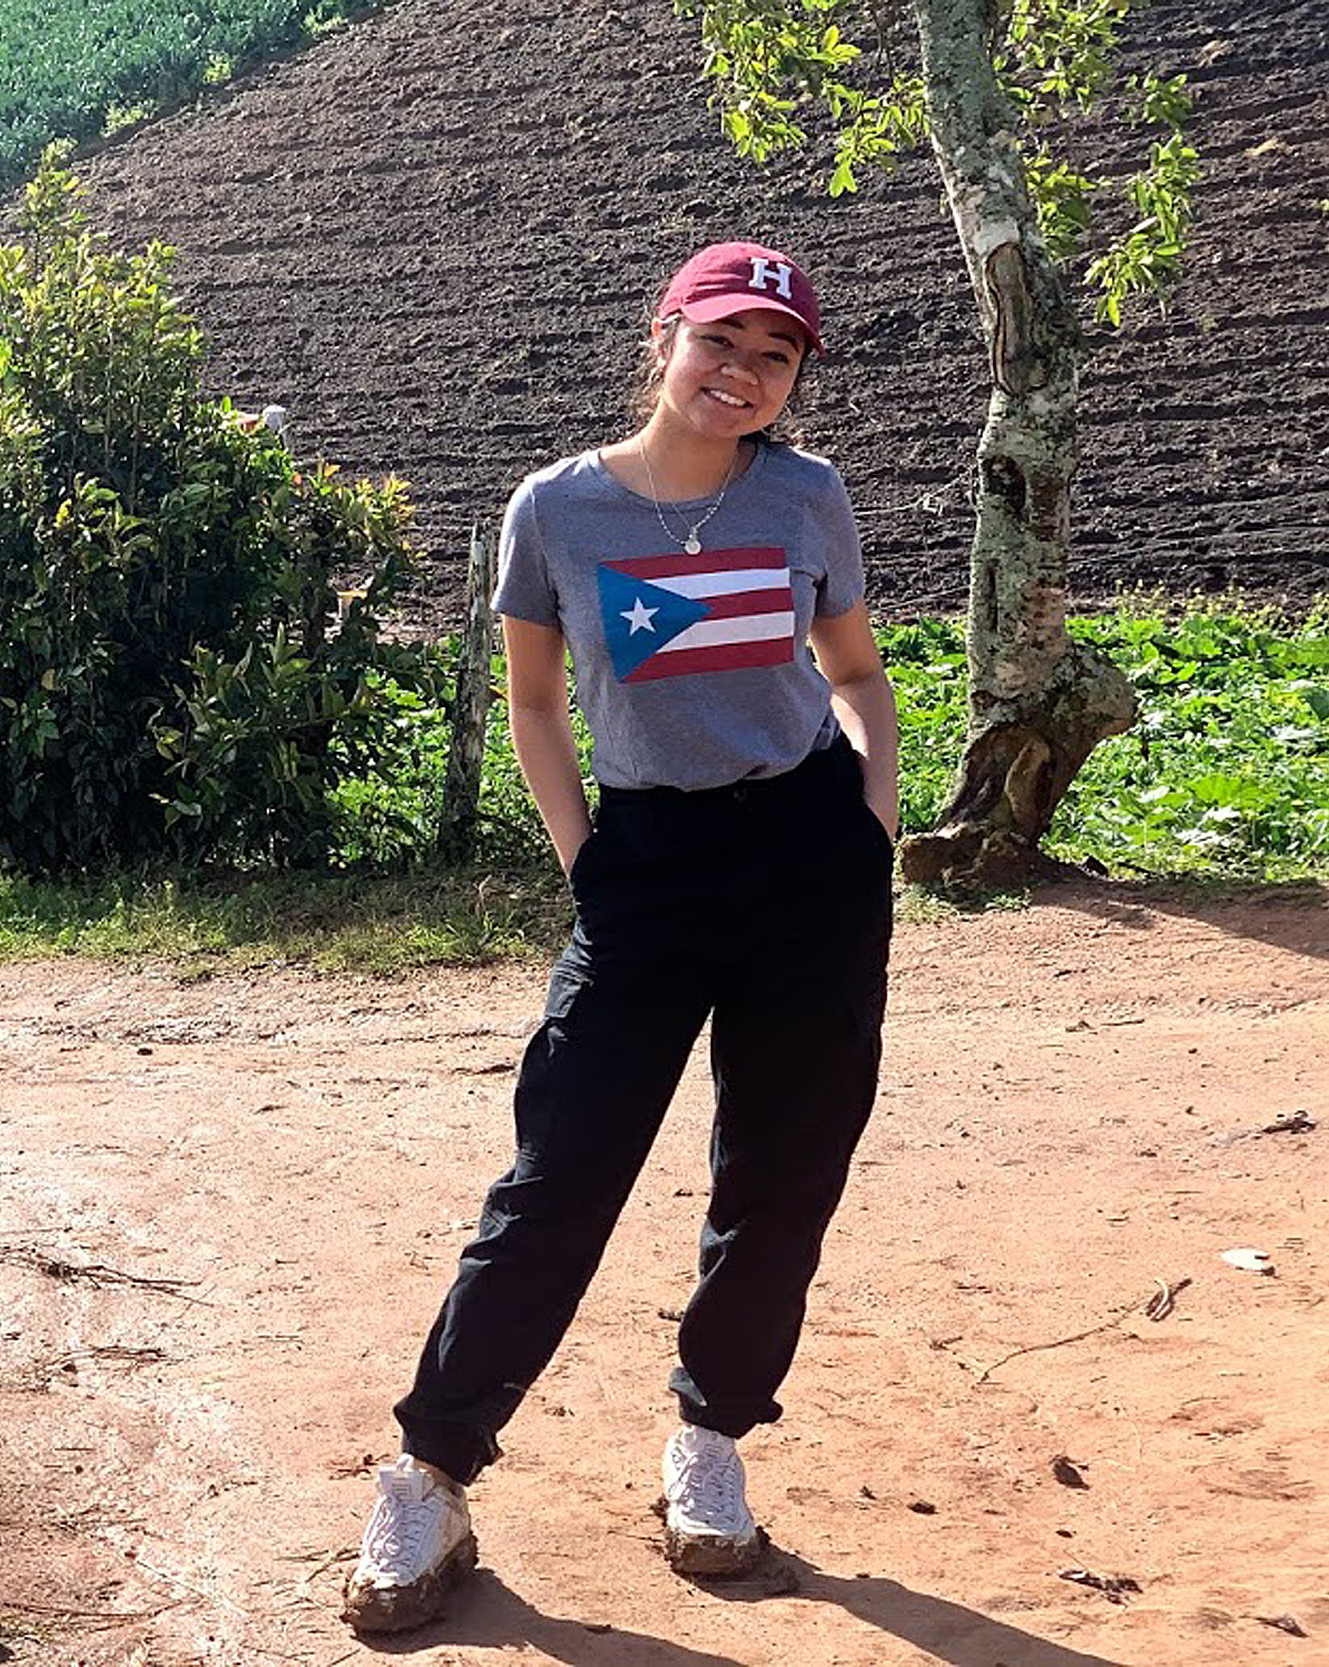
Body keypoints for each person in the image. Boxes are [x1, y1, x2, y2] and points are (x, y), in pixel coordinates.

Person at [343, 240, 900, 1635]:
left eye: (773, 358)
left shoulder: (806, 496)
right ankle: (433, 1471)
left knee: (784, 1170)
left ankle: (709, 1442)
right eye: (720, 342)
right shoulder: (560, 511)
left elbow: (854, 673)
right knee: (561, 1174)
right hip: (647, 864)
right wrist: (589, 857)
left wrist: (868, 819)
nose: (743, 374)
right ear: (664, 336)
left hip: (807, 858)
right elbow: (535, 703)